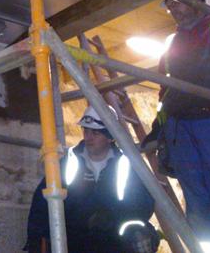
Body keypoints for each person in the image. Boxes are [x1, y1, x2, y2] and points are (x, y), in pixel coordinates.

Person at [143, 0, 210, 244]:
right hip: (179, 124)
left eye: (177, 3)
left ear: (197, 2)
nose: (173, 9)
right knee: (193, 191)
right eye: (169, 5)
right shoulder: (171, 42)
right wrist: (158, 128)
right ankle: (208, 246)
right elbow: (164, 89)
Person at [25, 106, 157, 253]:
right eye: (86, 131)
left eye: (95, 133)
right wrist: (35, 241)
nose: (88, 137)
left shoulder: (126, 166)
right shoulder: (67, 164)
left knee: (144, 234)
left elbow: (143, 204)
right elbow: (40, 204)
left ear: (109, 136)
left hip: (113, 240)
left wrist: (113, 217)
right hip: (74, 240)